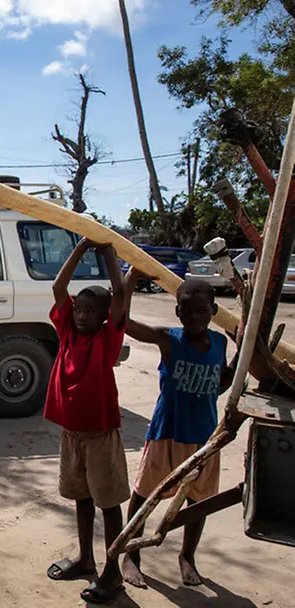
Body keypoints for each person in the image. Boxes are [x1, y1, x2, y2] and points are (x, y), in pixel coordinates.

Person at [120, 273, 236, 589]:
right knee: (145, 494)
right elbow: (125, 325)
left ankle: (187, 556)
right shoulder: (169, 339)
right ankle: (131, 554)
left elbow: (218, 385)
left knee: (198, 501)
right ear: (177, 312)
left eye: (201, 311)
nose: (194, 317)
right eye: (187, 311)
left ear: (214, 311)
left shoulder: (220, 343)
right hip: (167, 432)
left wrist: (241, 355)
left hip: (204, 437)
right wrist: (130, 282)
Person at [44, 238, 128, 605]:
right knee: (80, 496)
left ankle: (113, 571)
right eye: (78, 309)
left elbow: (120, 295)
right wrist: (79, 248)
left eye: (90, 311)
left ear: (104, 317)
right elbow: (58, 288)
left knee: (108, 502)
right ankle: (85, 558)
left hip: (100, 435)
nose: (81, 315)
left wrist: (108, 255)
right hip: (72, 434)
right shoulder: (66, 330)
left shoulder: (107, 340)